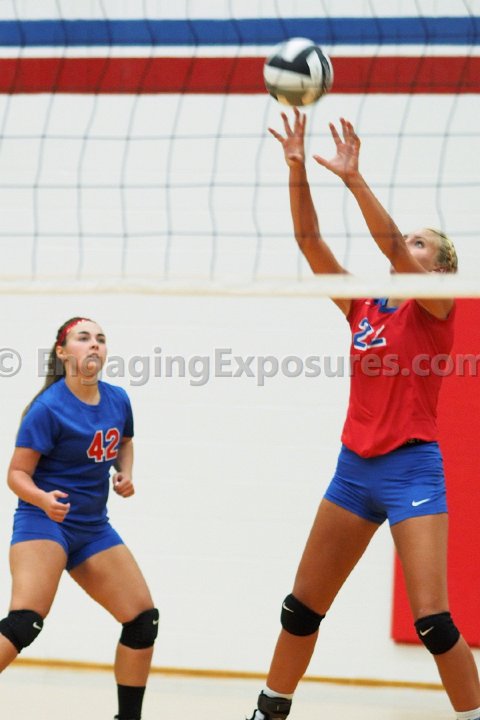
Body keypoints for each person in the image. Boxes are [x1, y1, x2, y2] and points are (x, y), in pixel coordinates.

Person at [246, 108, 480, 720]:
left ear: (440, 271)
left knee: (432, 622)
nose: (408, 249)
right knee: (301, 609)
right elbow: (310, 244)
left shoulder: (437, 306)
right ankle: (269, 710)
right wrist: (297, 167)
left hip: (412, 470)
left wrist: (353, 178)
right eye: (412, 241)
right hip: (354, 471)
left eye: (422, 245)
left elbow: (391, 246)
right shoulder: (364, 306)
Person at [0, 316, 158, 720]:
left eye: (101, 339)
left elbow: (124, 442)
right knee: (25, 622)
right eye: (83, 338)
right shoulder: (48, 408)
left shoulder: (118, 399)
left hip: (92, 528)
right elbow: (15, 475)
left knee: (143, 620)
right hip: (44, 522)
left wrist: (125, 473)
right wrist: (42, 498)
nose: (94, 345)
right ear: (62, 352)